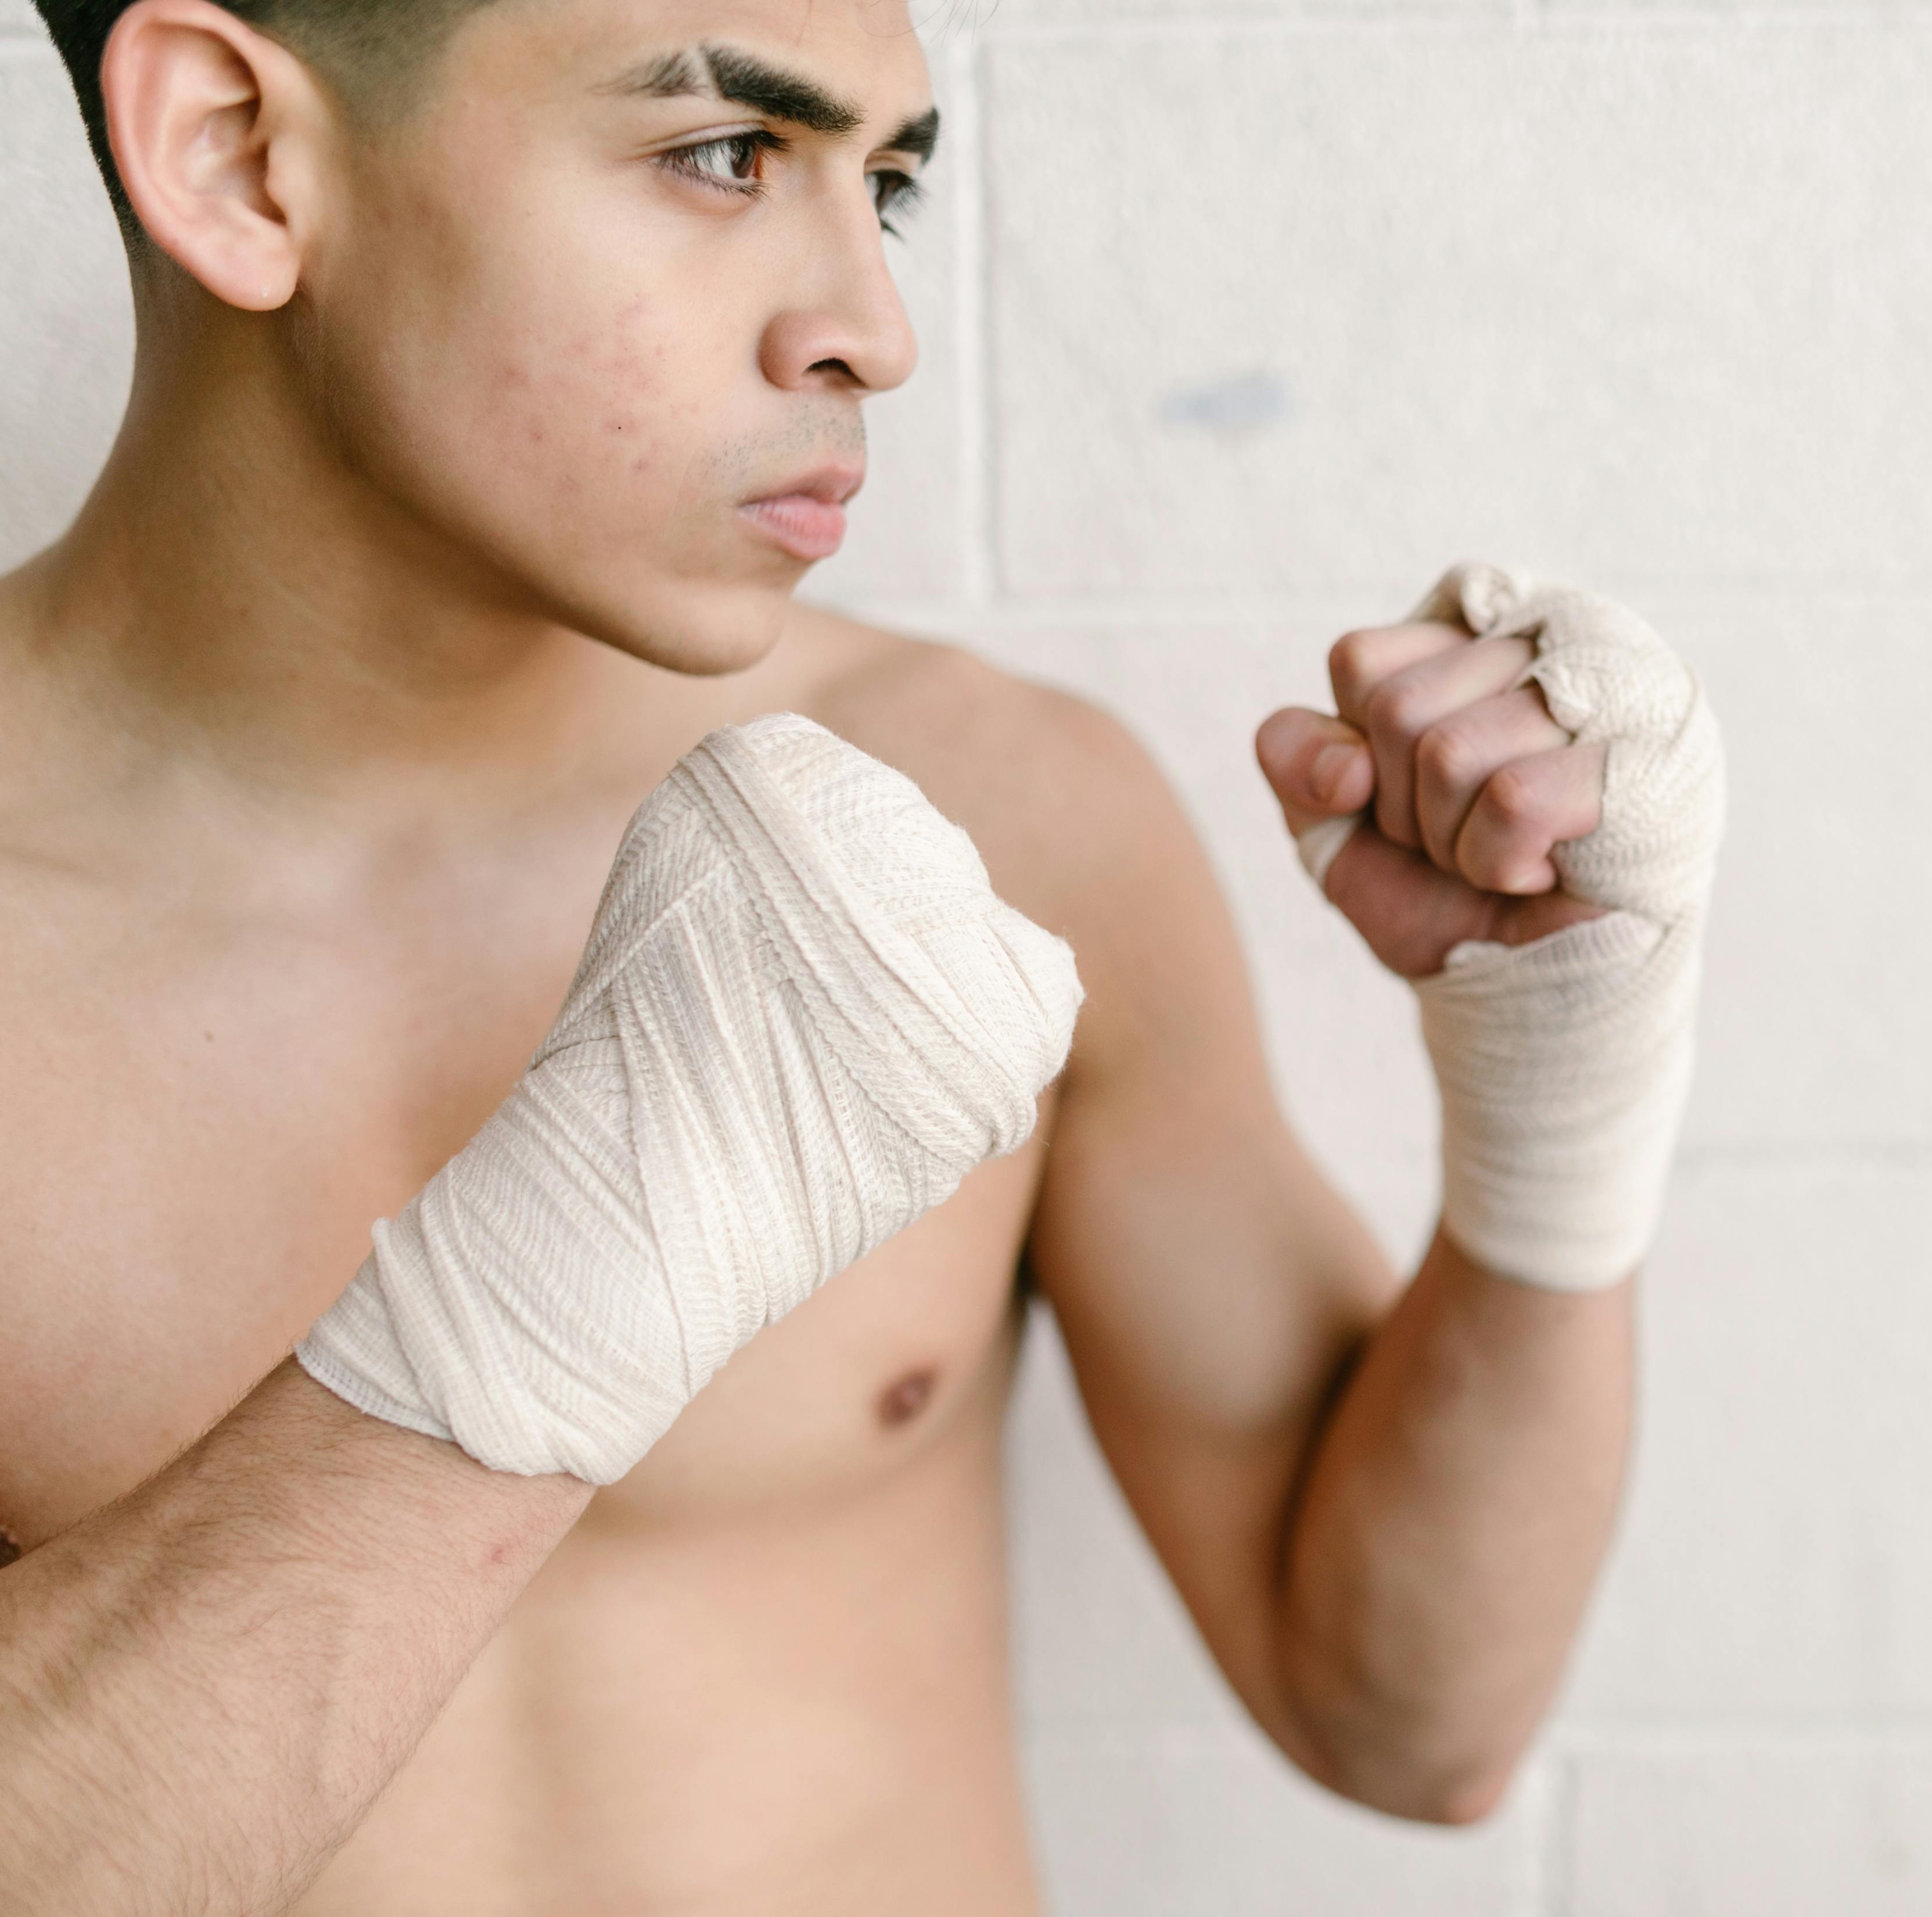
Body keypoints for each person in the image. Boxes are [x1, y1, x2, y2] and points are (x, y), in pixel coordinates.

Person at [0, 0, 1722, 1910]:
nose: (874, 334)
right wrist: (519, 1320)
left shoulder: (994, 824)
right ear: (236, 154)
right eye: (724, 155)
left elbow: (1412, 1725)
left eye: (882, 187)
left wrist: (1569, 1069)